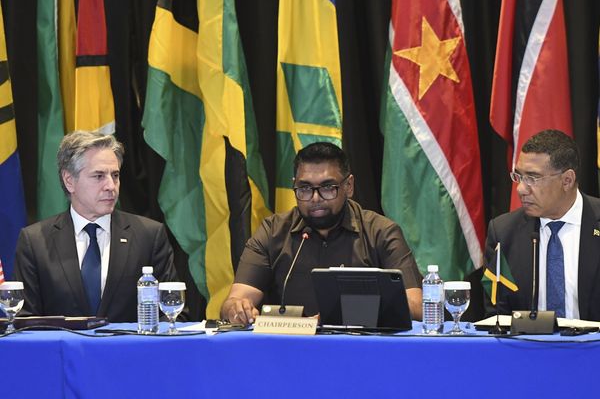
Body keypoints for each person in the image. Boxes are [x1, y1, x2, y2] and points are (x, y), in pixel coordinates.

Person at [221, 142, 423, 324]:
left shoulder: (381, 232)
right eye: (305, 188)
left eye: (327, 187)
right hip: (290, 352)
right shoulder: (272, 231)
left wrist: (339, 314)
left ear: (349, 186)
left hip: (360, 351)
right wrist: (236, 309)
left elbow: (416, 305)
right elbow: (235, 300)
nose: (315, 198)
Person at [14, 131, 180, 322]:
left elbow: (173, 313)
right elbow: (24, 322)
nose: (111, 185)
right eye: (99, 176)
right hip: (64, 352)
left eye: (115, 175)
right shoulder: (35, 241)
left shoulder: (149, 236)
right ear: (69, 181)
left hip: (129, 352)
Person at [484, 129, 600, 320]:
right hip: (527, 347)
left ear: (567, 180)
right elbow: (496, 315)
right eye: (519, 177)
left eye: (532, 178)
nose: (521, 189)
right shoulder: (503, 233)